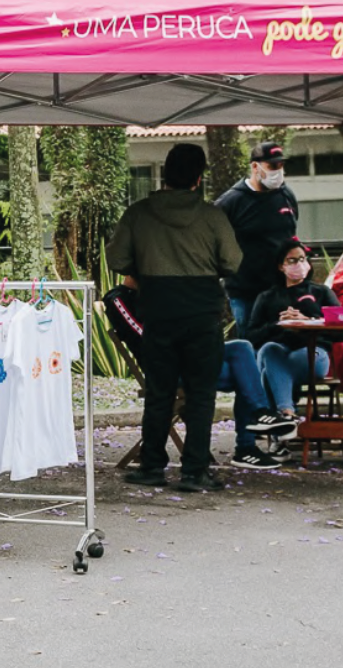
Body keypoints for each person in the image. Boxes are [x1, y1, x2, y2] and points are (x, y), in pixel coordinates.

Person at [108, 142, 242, 490]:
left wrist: (148, 261)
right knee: (200, 395)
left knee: (159, 392)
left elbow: (116, 260)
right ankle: (195, 471)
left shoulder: (138, 214)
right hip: (202, 315)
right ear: (198, 179)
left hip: (158, 313)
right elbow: (232, 261)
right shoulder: (212, 216)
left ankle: (152, 466)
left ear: (165, 174)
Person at [105, 279, 291, 471]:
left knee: (242, 348)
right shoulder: (118, 299)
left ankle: (259, 415)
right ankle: (247, 446)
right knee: (243, 375)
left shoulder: (158, 292)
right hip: (167, 368)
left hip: (191, 357)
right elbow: (145, 336)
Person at [242, 238, 338, 437]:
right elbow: (251, 336)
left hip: (313, 354)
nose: (299, 265)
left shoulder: (321, 292)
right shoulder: (267, 297)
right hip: (281, 351)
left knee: (270, 370)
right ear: (281, 266)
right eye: (292, 261)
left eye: (302, 259)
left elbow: (339, 330)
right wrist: (278, 325)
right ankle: (287, 414)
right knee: (269, 351)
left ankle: (279, 426)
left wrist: (308, 322)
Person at [215, 140, 301, 334]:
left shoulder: (286, 195)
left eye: (281, 165)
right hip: (246, 292)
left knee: (281, 344)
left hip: (281, 290)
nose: (277, 171)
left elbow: (291, 235)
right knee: (251, 343)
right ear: (255, 166)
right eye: (272, 166)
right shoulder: (231, 202)